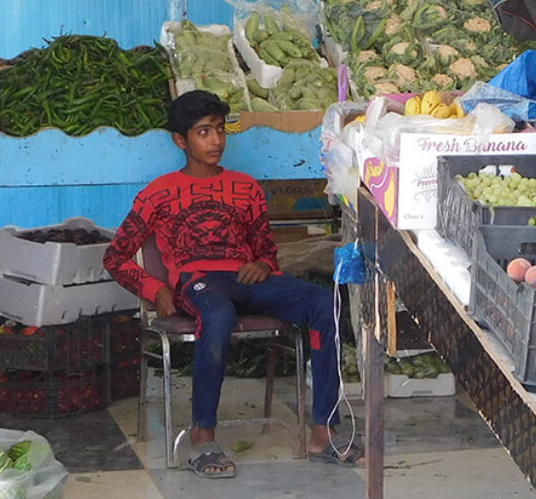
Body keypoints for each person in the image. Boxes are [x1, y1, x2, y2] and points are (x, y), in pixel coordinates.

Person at [105, 91, 359, 478]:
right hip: (198, 284)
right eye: (203, 132)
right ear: (180, 140)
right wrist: (155, 290)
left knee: (326, 303)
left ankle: (324, 431)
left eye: (220, 130)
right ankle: (202, 439)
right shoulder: (158, 193)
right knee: (218, 315)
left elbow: (266, 251)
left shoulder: (247, 189)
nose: (216, 141)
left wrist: (261, 263)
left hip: (248, 280)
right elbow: (116, 256)